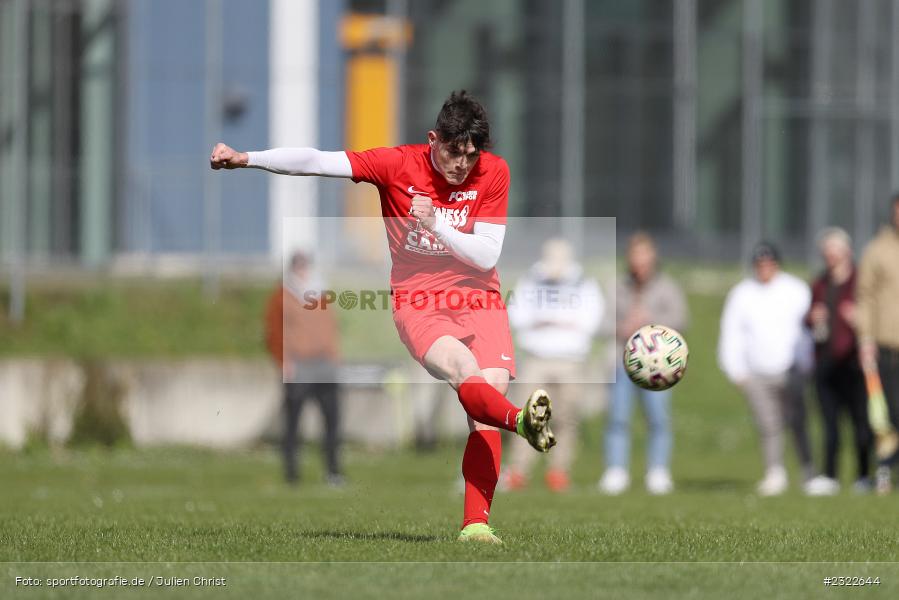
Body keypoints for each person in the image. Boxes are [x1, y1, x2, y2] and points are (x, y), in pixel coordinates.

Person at [211, 90, 554, 544]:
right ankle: (521, 423)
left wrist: (437, 224)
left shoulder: (495, 171)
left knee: (484, 410)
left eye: (471, 155)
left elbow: (487, 252)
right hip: (419, 301)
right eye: (454, 152)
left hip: (480, 297)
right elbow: (318, 161)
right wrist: (246, 157)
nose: (462, 165)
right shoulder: (397, 165)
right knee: (463, 372)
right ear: (434, 140)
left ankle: (475, 526)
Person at [504, 238, 604, 492]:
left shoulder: (583, 283)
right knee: (528, 416)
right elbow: (517, 312)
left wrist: (560, 324)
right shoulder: (531, 280)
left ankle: (559, 471)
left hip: (571, 359)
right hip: (536, 357)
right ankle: (518, 470)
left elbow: (592, 317)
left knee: (567, 417)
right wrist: (544, 321)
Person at [718, 242, 815, 496]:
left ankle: (808, 471)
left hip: (791, 368)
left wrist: (806, 362)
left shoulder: (796, 290)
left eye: (769, 263)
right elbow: (731, 333)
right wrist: (735, 370)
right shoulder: (742, 293)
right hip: (756, 371)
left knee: (798, 421)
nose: (764, 269)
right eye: (760, 264)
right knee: (768, 424)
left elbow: (806, 331)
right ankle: (774, 472)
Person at [598, 232, 687, 496]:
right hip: (622, 362)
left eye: (645, 254)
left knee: (658, 418)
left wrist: (651, 324)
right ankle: (616, 471)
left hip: (658, 366)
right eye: (635, 255)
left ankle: (658, 471)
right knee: (617, 417)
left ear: (653, 256)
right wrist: (622, 327)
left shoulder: (667, 286)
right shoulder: (618, 286)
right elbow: (602, 323)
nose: (640, 261)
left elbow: (682, 320)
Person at [264, 252, 344, 487]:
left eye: (305, 265)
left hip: (324, 364)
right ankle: (291, 474)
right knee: (293, 422)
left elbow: (332, 327)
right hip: (299, 365)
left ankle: (333, 471)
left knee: (332, 420)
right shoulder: (282, 296)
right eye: (298, 266)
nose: (303, 270)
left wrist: (334, 355)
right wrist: (283, 361)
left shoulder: (321, 293)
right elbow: (274, 332)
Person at [803, 228, 872, 495]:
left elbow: (874, 314)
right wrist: (813, 317)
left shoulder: (860, 282)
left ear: (847, 253)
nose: (831, 258)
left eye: (835, 252)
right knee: (830, 423)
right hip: (826, 362)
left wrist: (858, 318)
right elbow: (807, 319)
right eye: (827, 253)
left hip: (854, 362)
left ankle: (863, 475)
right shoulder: (820, 283)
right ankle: (829, 475)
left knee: (861, 423)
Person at [857, 193, 899, 493]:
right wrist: (866, 340)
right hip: (887, 348)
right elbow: (865, 298)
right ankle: (884, 469)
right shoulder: (877, 250)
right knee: (887, 414)